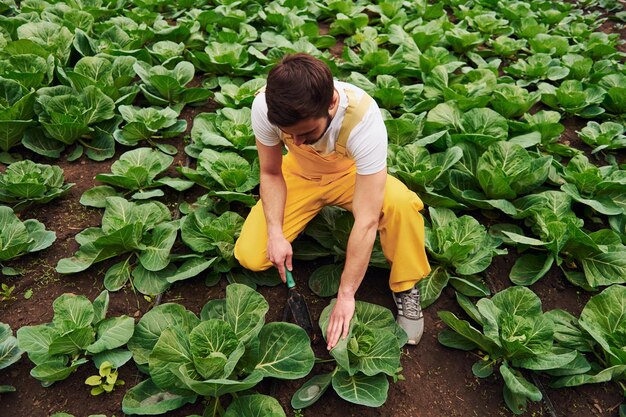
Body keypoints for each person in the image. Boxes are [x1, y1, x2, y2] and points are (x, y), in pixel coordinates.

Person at [234, 53, 431, 350]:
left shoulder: (363, 118)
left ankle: (405, 285)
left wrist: (346, 294)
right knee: (251, 255)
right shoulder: (266, 106)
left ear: (331, 104)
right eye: (290, 135)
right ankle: (295, 224)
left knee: (399, 204)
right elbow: (271, 172)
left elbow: (366, 221)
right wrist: (275, 233)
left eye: (307, 132)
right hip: (297, 174)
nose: (296, 142)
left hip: (350, 177)